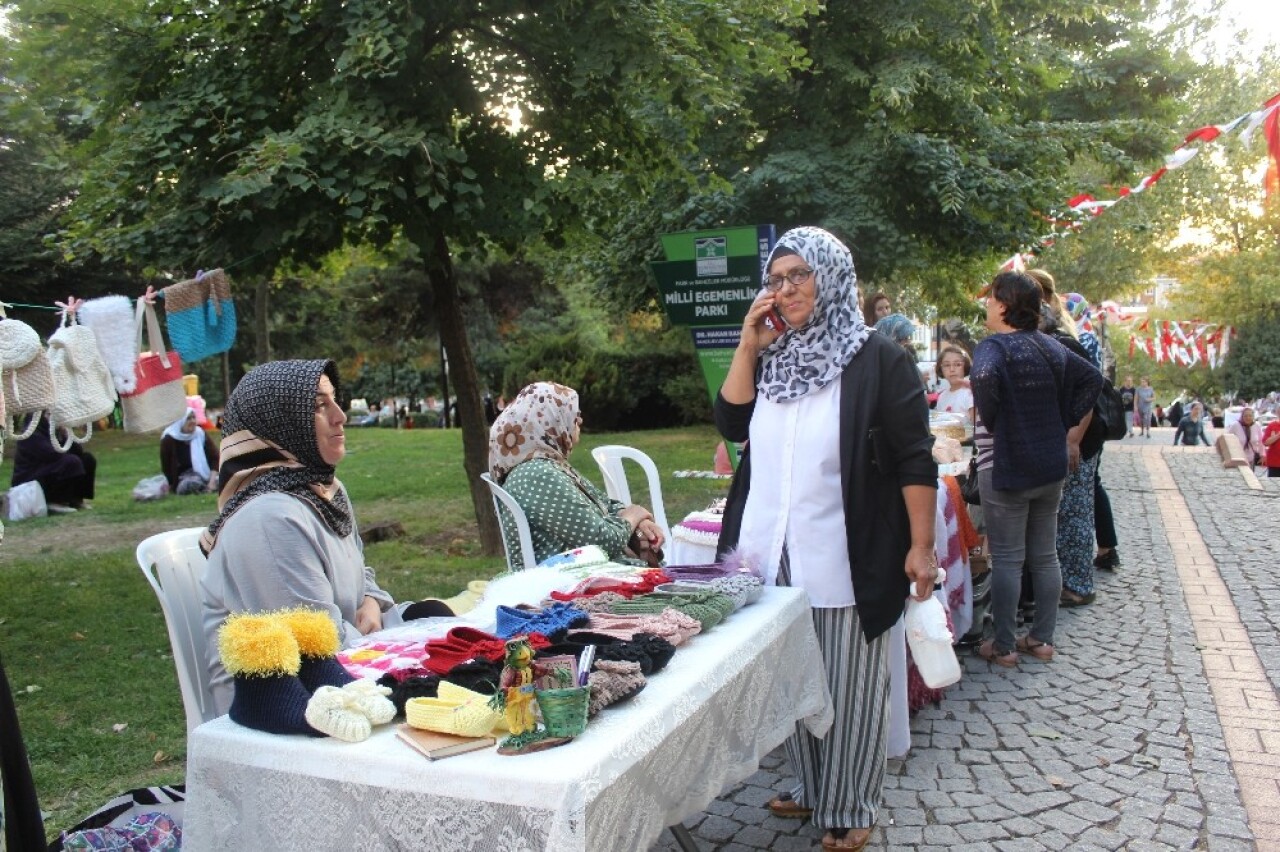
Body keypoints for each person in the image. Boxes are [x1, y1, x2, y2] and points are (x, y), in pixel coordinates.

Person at [714, 226, 937, 852]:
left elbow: (915, 459)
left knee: (849, 685)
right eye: (775, 280)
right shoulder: (775, 355)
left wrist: (920, 547)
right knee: (792, 677)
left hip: (846, 550)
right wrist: (747, 346)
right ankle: (810, 786)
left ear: (831, 277)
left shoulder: (879, 360)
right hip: (770, 548)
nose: (784, 290)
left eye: (798, 276)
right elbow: (732, 422)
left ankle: (851, 801)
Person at [200, 359, 450, 716]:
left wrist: (369, 602)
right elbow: (316, 648)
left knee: (436, 618)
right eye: (319, 406)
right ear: (280, 424)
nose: (340, 416)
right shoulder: (268, 520)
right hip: (292, 699)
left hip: (347, 647)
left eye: (334, 400)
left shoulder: (324, 490)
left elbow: (361, 571)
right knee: (449, 678)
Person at [971, 271, 1101, 667]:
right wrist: (1063, 419)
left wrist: (995, 417)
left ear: (1006, 304)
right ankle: (1042, 639)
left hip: (1007, 466)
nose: (987, 305)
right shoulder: (1051, 346)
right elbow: (1093, 380)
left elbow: (984, 376)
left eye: (991, 298)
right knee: (1045, 556)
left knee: (1009, 559)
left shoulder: (994, 347)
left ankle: (1005, 645)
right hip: (1050, 466)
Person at [488, 381, 664, 565]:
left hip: (586, 575)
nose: (579, 420)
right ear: (548, 420)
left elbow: (604, 504)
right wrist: (635, 514)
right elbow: (603, 541)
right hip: (571, 583)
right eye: (572, 413)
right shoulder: (536, 475)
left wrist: (637, 520)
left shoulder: (548, 466)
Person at [9, 415, 96, 513]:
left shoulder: (53, 431)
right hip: (30, 476)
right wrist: (61, 439)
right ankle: (54, 501)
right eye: (48, 415)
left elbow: (77, 451)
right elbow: (51, 454)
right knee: (71, 462)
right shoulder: (30, 434)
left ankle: (76, 499)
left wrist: (67, 436)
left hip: (47, 467)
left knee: (87, 459)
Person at [160, 408, 219, 495]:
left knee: (227, 478)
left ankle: (209, 486)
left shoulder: (200, 434)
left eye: (194, 418)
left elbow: (215, 458)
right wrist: (171, 484)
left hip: (207, 474)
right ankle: (204, 488)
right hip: (184, 477)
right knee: (188, 484)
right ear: (181, 421)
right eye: (188, 418)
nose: (192, 421)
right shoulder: (169, 439)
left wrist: (212, 481)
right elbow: (166, 466)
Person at [934, 345, 974, 437]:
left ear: (965, 366)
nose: (952, 369)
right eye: (947, 365)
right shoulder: (942, 396)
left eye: (957, 364)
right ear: (941, 369)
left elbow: (975, 426)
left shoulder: (969, 393)